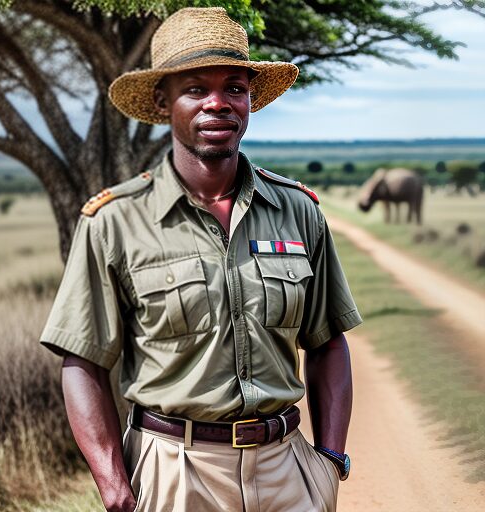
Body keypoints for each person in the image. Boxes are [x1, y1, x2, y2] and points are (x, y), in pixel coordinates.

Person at [40, 7, 362, 512]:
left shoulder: (298, 212)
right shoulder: (114, 222)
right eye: (195, 89)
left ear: (250, 99)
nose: (218, 104)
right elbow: (82, 362)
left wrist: (330, 458)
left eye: (234, 87)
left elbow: (327, 342)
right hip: (174, 473)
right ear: (164, 101)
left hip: (287, 472)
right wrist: (113, 483)